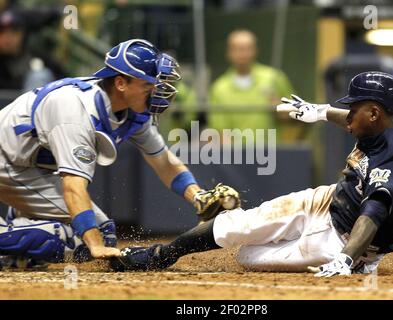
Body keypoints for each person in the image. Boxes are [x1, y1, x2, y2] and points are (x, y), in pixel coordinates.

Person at [110, 71, 393, 277]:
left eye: (354, 109)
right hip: (328, 200)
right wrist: (318, 111)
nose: (347, 117)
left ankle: (355, 264)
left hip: (344, 240)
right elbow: (354, 118)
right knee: (236, 226)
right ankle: (159, 255)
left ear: (374, 113)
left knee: (249, 257)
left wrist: (347, 258)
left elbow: (372, 214)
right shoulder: (382, 124)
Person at [0, 39, 240, 269]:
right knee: (88, 238)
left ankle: (16, 247)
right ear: (121, 83)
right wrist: (94, 245)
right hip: (8, 162)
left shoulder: (133, 110)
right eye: (148, 85)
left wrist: (197, 196)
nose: (157, 91)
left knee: (100, 235)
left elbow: (165, 162)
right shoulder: (75, 110)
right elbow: (73, 187)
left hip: (28, 167)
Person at [208, 29, 294, 143]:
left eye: (247, 49)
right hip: (237, 156)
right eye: (238, 49)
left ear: (255, 51)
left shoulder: (273, 78)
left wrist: (280, 108)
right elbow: (220, 131)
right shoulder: (219, 88)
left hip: (272, 153)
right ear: (229, 52)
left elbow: (295, 114)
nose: (242, 54)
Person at [0, 10, 56, 91]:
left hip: (30, 101)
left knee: (40, 75)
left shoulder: (35, 57)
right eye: (2, 32)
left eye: (14, 31)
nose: (8, 38)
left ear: (22, 34)